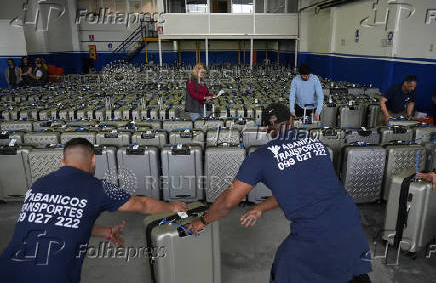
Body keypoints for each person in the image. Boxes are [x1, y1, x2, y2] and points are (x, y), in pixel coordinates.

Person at [188, 103, 372, 283]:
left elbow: (228, 202)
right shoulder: (316, 143)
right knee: (352, 273)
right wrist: (260, 207)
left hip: (315, 235)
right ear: (292, 120)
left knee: (284, 270)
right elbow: (301, 188)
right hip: (351, 223)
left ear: (267, 128)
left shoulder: (261, 157)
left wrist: (202, 221)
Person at [0, 138, 187, 283]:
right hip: (53, 275)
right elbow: (142, 204)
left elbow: (57, 217)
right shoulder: (100, 187)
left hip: (7, 269)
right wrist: (171, 206)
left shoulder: (39, 183)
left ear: (63, 161)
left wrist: (104, 231)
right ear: (92, 160)